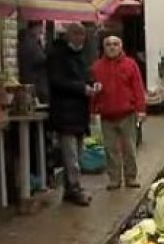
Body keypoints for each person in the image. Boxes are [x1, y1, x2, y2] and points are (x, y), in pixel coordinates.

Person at [91, 34, 146, 190]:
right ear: (104, 48)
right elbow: (93, 90)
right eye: (108, 44)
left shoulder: (130, 65)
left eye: (115, 44)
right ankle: (114, 178)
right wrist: (92, 111)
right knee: (110, 149)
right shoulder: (97, 67)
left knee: (129, 147)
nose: (112, 47)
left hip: (127, 113)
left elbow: (138, 88)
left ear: (121, 47)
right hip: (107, 114)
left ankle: (131, 177)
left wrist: (141, 109)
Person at [48, 23, 94, 206]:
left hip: (80, 113)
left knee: (78, 153)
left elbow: (85, 76)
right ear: (68, 35)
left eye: (82, 34)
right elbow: (57, 81)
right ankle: (75, 188)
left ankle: (70, 189)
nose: (80, 38)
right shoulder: (57, 56)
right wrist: (82, 88)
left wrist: (92, 83)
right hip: (65, 113)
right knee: (71, 156)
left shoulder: (80, 55)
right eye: (76, 34)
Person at [18, 21, 49, 103]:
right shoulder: (31, 42)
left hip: (30, 81)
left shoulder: (25, 40)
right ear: (36, 28)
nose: (42, 32)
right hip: (36, 83)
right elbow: (40, 60)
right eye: (41, 29)